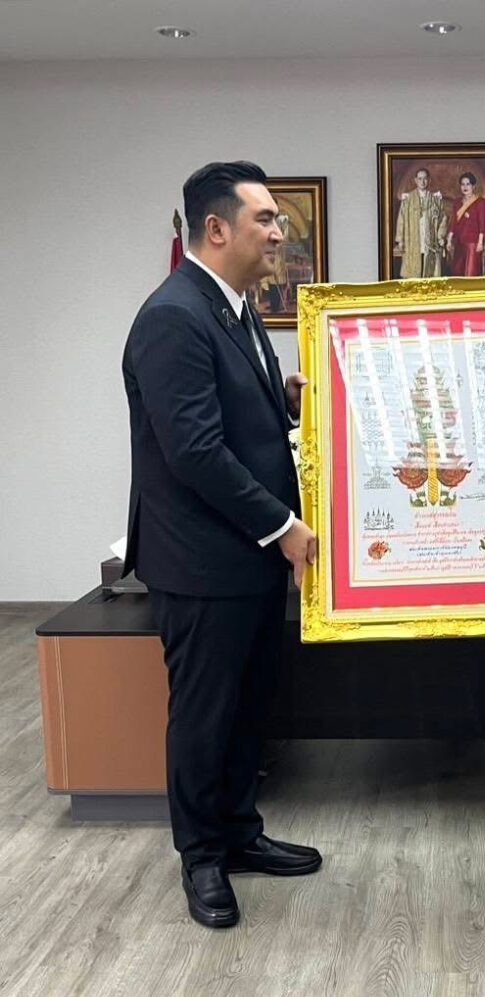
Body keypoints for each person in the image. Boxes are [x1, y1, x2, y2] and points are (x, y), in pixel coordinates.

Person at [122, 161, 322, 930]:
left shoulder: (236, 309)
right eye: (264, 218)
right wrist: (283, 526)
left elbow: (232, 416)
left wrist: (284, 401)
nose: (277, 232)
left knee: (247, 707)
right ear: (215, 228)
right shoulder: (173, 316)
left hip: (250, 558)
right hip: (203, 562)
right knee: (205, 715)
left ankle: (240, 831)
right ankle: (201, 855)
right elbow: (196, 451)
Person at [394, 168, 448, 278]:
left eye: (425, 179)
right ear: (415, 180)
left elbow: (443, 219)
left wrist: (440, 236)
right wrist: (400, 239)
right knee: (413, 270)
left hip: (430, 240)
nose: (422, 182)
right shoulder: (408, 199)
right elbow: (401, 219)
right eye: (420, 179)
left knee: (430, 271)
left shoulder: (435, 199)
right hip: (413, 240)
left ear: (429, 180)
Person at [446, 172, 485, 276]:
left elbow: (482, 224)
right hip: (459, 242)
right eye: (463, 184)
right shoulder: (457, 202)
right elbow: (453, 222)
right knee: (458, 272)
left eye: (468, 184)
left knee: (470, 273)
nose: (465, 187)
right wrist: (449, 240)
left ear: (473, 186)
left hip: (472, 244)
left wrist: (480, 243)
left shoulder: (480, 202)